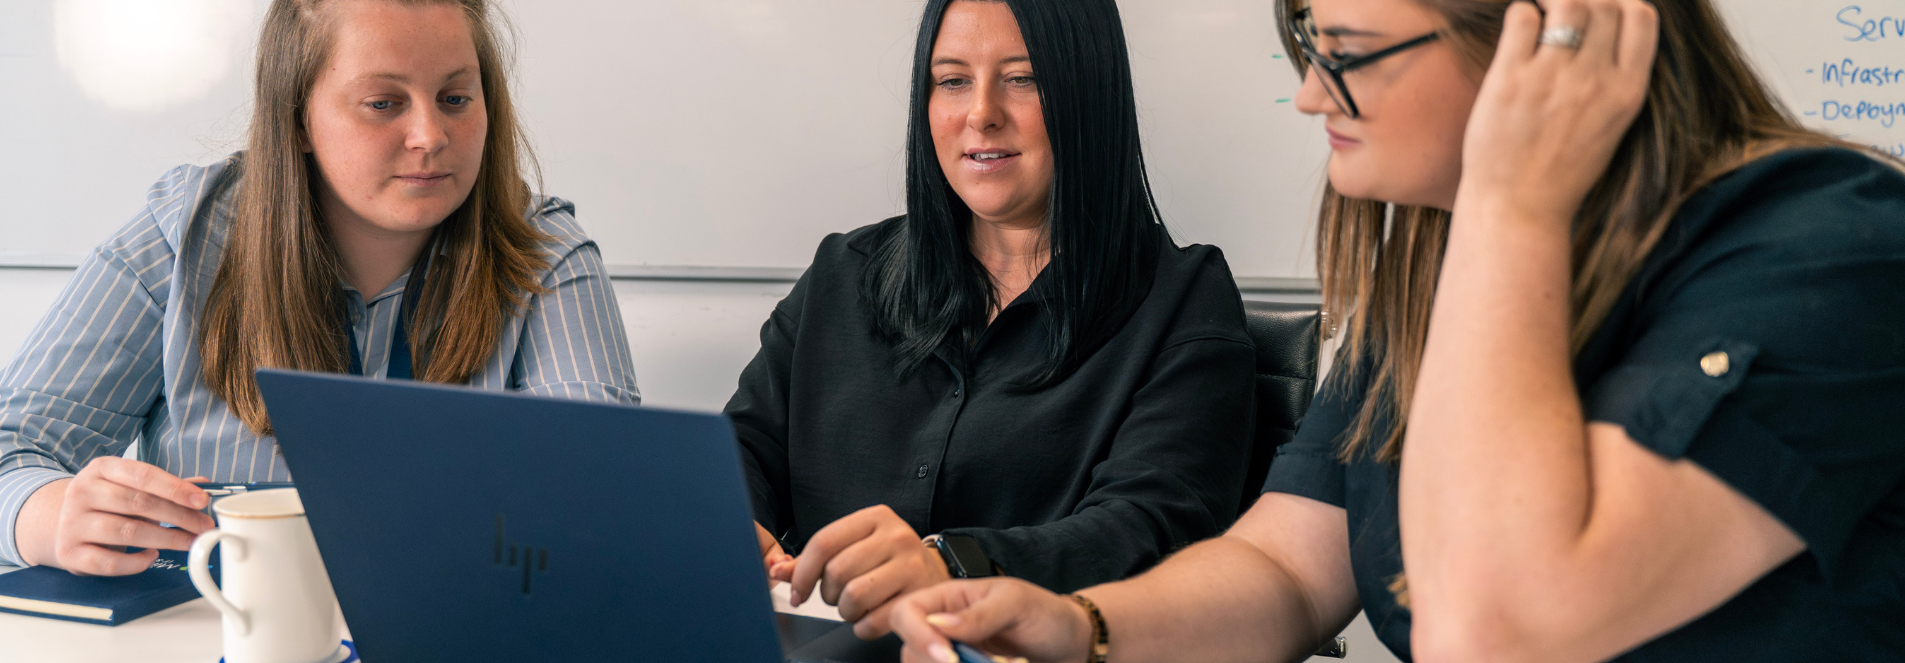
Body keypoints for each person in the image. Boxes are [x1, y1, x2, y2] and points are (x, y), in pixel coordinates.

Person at [887, 0, 1905, 661]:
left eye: (1348, 56)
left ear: (1546, 40)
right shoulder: (1438, 269)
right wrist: (1088, 628)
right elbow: (1286, 571)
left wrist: (1514, 201)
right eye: (1305, 47)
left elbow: (1498, 632)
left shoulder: (1833, 252)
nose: (1304, 95)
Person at [0, 0, 639, 575]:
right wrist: (50, 517)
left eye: (455, 98)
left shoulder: (544, 253)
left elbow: (601, 494)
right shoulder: (180, 236)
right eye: (383, 103)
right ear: (298, 118)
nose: (431, 136)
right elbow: (14, 448)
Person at [727, 0, 1255, 639]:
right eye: (952, 81)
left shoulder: (1181, 301)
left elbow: (1147, 525)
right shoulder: (844, 271)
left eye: (1023, 78)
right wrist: (727, 521)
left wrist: (951, 566)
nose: (981, 114)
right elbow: (741, 446)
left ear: (1089, 91)